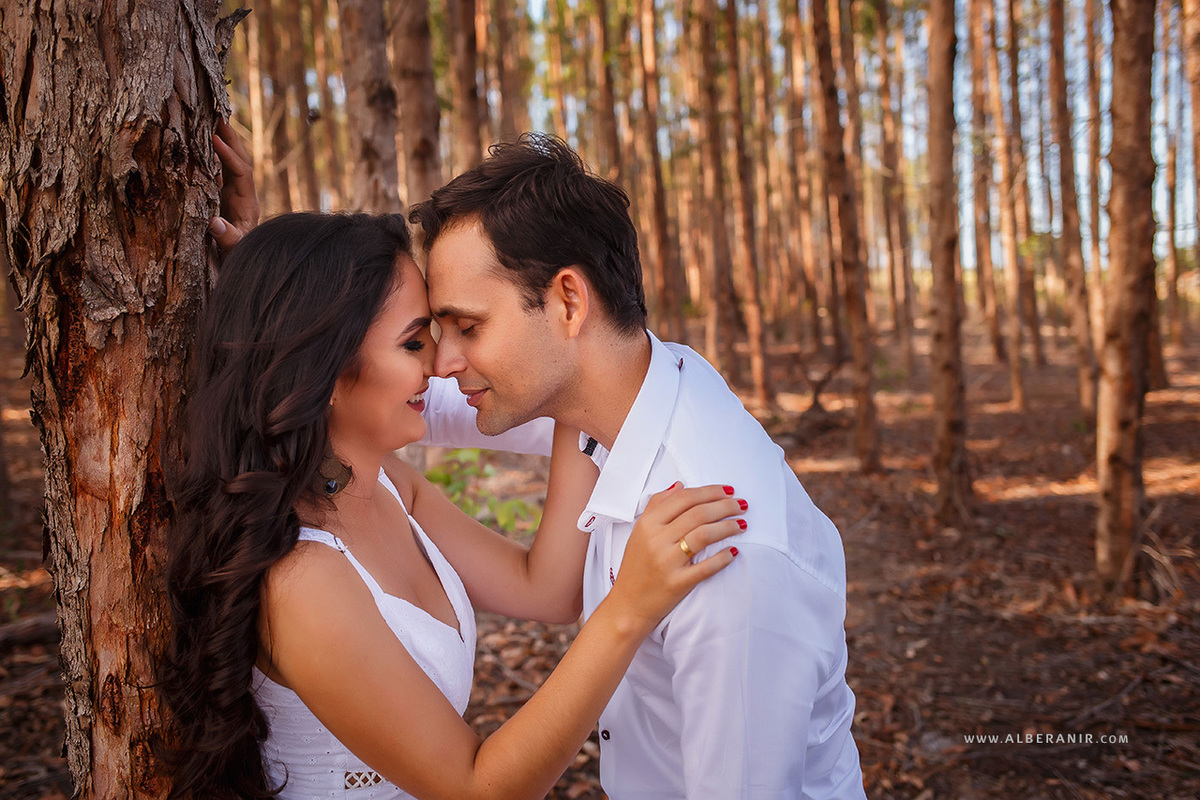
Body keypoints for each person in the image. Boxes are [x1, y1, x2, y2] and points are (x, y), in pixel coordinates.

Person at [160, 208, 747, 799]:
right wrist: (627, 611)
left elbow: (544, 589)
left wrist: (573, 369)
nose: (438, 364)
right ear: (324, 370)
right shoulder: (304, 581)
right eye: (414, 342)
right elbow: (477, 790)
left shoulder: (382, 486)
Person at [407, 134, 868, 799]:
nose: (444, 360)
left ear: (568, 302)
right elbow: (419, 403)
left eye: (468, 328)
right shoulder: (640, 384)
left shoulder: (725, 556)